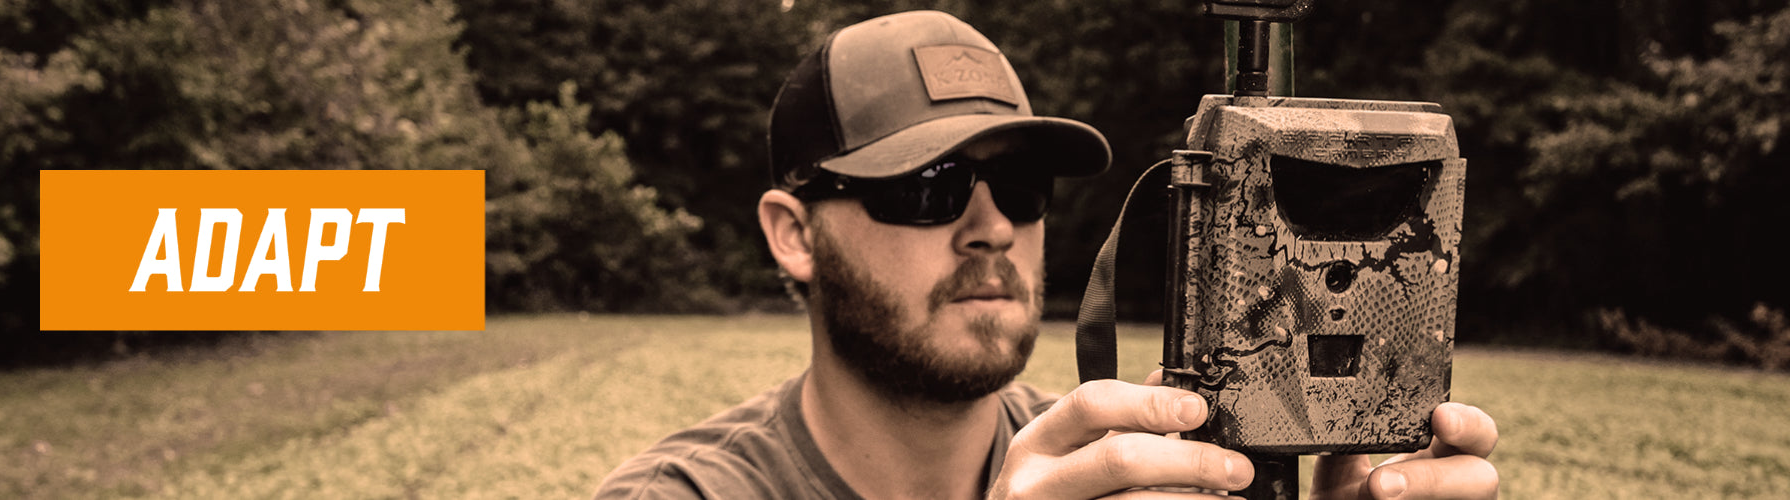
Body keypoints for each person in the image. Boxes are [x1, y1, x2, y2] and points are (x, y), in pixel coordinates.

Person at [594, 10, 1498, 500]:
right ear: (793, 234)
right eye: (928, 186)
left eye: (1020, 187)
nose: (990, 226)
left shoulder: (1125, 470)